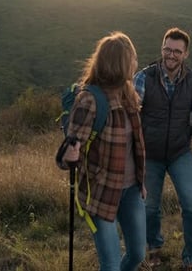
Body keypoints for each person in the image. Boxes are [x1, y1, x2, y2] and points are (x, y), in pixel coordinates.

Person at [133, 27, 192, 271]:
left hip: (180, 151)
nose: (171, 55)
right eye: (167, 49)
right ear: (162, 49)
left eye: (177, 51)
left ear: (185, 54)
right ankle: (153, 248)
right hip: (150, 153)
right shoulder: (143, 77)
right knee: (149, 206)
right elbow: (132, 108)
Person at [62, 31, 147, 271]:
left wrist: (141, 181)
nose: (136, 63)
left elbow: (136, 145)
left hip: (131, 191)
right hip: (99, 194)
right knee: (110, 264)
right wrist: (69, 157)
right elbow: (66, 154)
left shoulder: (129, 94)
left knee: (137, 254)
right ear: (120, 62)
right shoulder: (90, 99)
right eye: (133, 58)